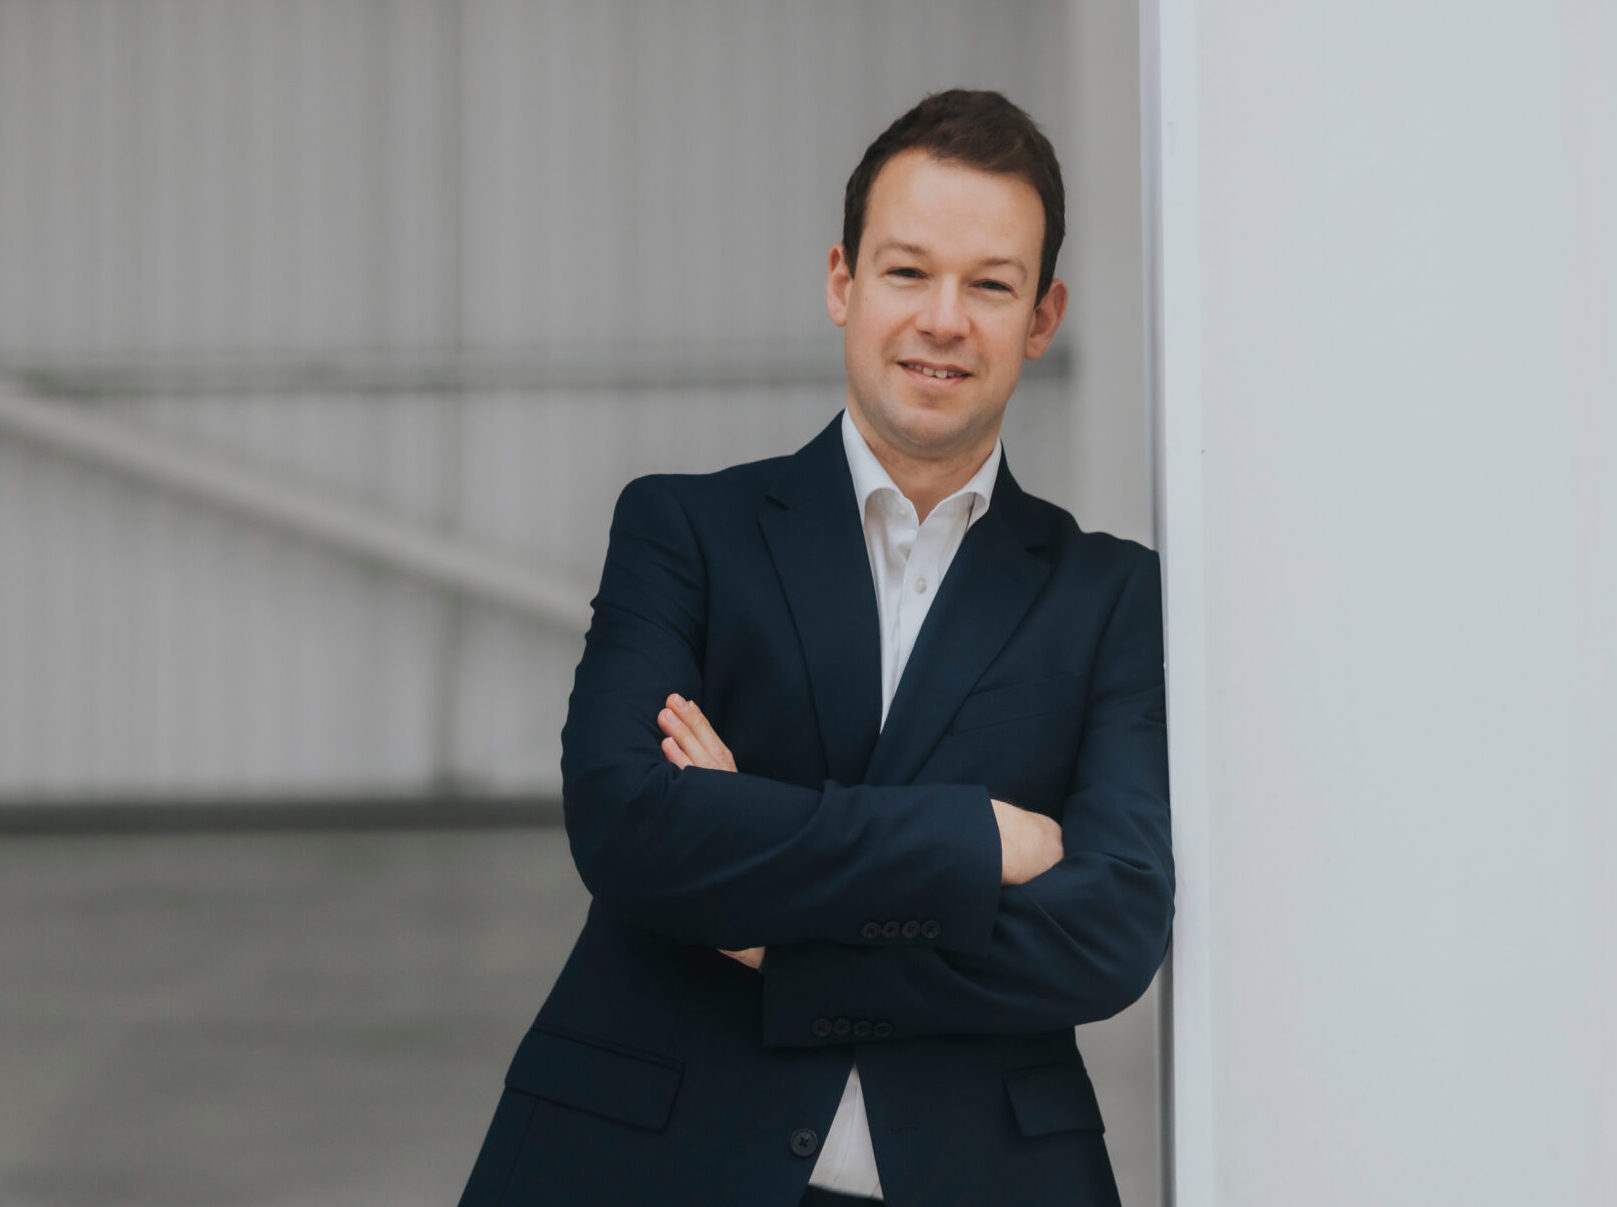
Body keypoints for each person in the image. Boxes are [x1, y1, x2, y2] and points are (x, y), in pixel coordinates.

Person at [458, 88, 1172, 1207]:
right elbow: (628, 824)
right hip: (648, 1161)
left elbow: (1108, 931)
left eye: (991, 285)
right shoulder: (685, 529)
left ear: (1042, 316)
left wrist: (778, 929)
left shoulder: (1110, 594)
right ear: (843, 282)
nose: (943, 318)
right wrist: (973, 837)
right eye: (907, 271)